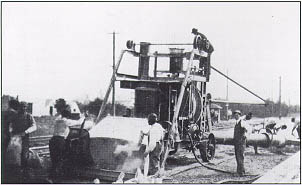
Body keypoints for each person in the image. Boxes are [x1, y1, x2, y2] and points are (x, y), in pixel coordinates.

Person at [49, 109, 85, 179]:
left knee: (54, 159)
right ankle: (58, 178)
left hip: (53, 140)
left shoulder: (57, 120)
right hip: (60, 140)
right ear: (68, 116)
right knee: (61, 158)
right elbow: (79, 122)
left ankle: (52, 177)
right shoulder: (66, 121)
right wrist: (83, 116)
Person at [11, 101, 37, 181]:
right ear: (19, 107)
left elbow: (34, 126)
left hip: (24, 138)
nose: (23, 108)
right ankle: (16, 172)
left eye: (25, 107)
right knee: (14, 155)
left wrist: (26, 132)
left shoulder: (29, 116)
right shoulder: (15, 116)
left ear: (26, 107)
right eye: (22, 106)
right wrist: (11, 132)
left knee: (24, 155)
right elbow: (11, 125)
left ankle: (24, 173)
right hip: (15, 137)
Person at [2, 99, 19, 183]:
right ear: (15, 106)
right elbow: (12, 126)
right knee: (10, 154)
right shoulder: (14, 114)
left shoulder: (3, 112)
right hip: (8, 136)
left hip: (2, 135)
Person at [233, 110, 249, 176]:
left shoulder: (242, 122)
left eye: (237, 115)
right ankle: (240, 171)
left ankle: (241, 172)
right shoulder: (236, 122)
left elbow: (248, 129)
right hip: (237, 142)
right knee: (237, 156)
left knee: (240, 156)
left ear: (239, 115)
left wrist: (245, 135)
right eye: (235, 115)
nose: (236, 116)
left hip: (241, 142)